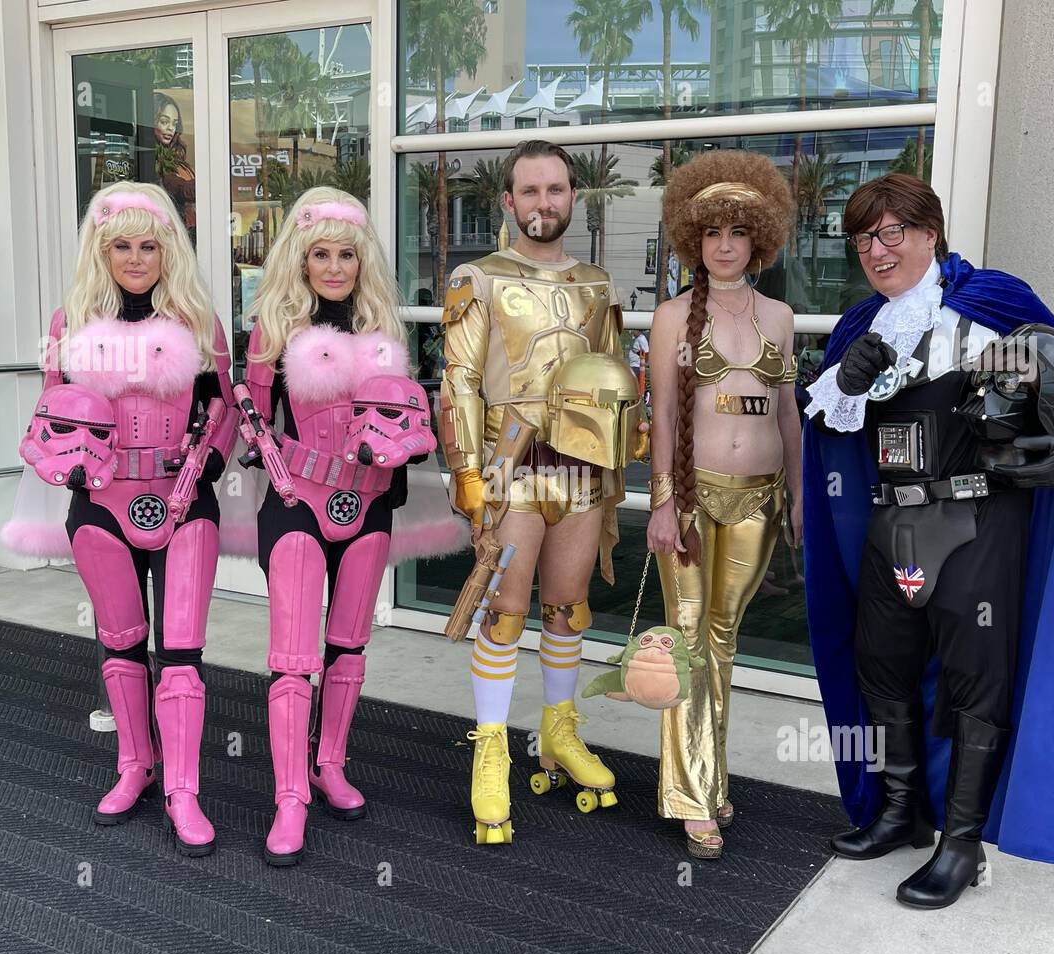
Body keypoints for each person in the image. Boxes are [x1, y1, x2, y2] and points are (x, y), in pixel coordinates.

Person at [801, 173, 1054, 908]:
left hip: (979, 519)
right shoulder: (862, 325)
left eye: (891, 233)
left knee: (978, 679)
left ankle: (962, 843)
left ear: (928, 233)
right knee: (880, 667)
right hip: (892, 521)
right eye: (863, 238)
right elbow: (829, 425)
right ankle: (897, 812)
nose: (877, 251)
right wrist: (844, 386)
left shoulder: (994, 303)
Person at [221, 188, 466, 865]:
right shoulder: (272, 331)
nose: (334, 267)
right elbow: (251, 421)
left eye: (346, 254)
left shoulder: (382, 333)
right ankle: (290, 794)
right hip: (295, 500)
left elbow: (407, 423)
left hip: (371, 502)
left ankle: (330, 764)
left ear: (363, 261)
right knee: (293, 659)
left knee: (349, 646)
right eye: (320, 254)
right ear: (300, 259)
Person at [3, 181, 236, 855]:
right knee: (123, 643)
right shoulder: (68, 324)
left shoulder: (199, 321)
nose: (136, 258)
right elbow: (50, 411)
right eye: (121, 246)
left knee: (182, 656)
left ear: (170, 251)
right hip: (100, 505)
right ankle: (136, 765)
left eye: (150, 245)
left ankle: (184, 788)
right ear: (100, 251)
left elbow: (227, 412)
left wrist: (210, 466)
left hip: (185, 500)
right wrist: (63, 458)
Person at [440, 140, 645, 844]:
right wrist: (466, 471)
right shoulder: (478, 277)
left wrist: (630, 443)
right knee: (505, 612)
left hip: (582, 468)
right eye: (530, 191)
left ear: (571, 197)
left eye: (556, 189)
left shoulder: (596, 283)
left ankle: (559, 731)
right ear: (508, 201)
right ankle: (492, 747)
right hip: (509, 465)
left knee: (568, 607)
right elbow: (459, 381)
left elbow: (613, 373)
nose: (544, 203)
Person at [647, 151, 802, 859]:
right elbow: (666, 418)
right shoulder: (673, 317)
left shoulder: (781, 315)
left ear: (759, 239)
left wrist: (799, 495)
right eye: (713, 233)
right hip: (691, 498)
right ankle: (692, 797)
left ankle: (710, 777)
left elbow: (790, 413)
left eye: (739, 232)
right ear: (694, 239)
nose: (726, 245)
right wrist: (660, 502)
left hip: (757, 504)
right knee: (686, 639)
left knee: (721, 641)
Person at [153, 93, 196, 237]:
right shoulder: (153, 160)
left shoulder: (175, 157)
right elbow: (177, 187)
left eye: (174, 123)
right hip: (169, 234)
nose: (171, 128)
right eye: (164, 121)